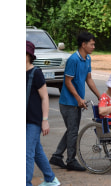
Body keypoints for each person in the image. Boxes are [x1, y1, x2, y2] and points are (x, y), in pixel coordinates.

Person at [49, 32, 101, 171]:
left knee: (72, 130)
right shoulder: (73, 59)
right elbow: (68, 82)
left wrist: (99, 95)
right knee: (73, 132)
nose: (93, 46)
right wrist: (78, 99)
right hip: (68, 102)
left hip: (75, 102)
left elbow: (88, 79)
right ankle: (71, 160)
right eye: (92, 44)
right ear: (83, 44)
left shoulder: (87, 58)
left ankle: (57, 156)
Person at [26, 41, 60, 186]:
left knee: (26, 153)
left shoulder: (36, 73)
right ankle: (51, 179)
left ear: (28, 55)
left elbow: (45, 97)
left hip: (33, 120)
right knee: (36, 150)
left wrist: (45, 120)